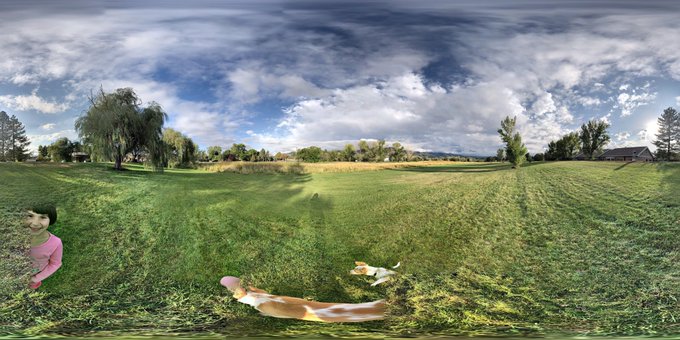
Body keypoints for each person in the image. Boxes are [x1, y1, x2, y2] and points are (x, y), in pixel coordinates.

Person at [26, 204, 63, 289]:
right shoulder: (12, 236)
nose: (35, 223)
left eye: (42, 217)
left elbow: (55, 264)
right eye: (30, 215)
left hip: (32, 279)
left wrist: (35, 279)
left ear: (51, 220)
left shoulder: (55, 243)